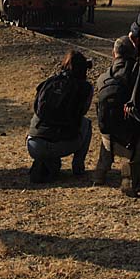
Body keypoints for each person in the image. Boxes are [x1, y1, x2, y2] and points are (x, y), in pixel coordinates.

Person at [92, 36, 140, 196]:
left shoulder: (103, 78)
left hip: (111, 142)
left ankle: (100, 172)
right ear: (135, 53)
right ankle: (136, 173)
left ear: (114, 53)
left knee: (109, 123)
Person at [27, 50, 94, 183]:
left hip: (33, 144)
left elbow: (37, 109)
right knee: (86, 123)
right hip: (62, 142)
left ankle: (45, 162)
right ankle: (78, 167)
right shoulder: (85, 88)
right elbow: (82, 113)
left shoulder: (48, 83)